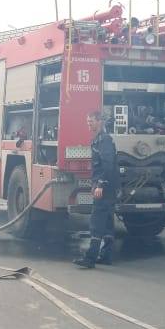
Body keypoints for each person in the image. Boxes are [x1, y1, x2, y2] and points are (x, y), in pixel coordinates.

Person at [74, 110, 119, 268]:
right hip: (107, 186)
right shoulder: (99, 139)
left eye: (91, 121)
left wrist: (100, 184)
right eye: (88, 121)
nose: (89, 124)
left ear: (100, 121)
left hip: (104, 187)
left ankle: (90, 258)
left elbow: (108, 165)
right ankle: (106, 256)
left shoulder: (104, 141)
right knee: (107, 223)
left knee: (96, 221)